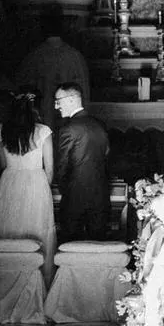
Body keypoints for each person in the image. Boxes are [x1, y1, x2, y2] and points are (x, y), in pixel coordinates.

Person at [0, 90, 58, 283]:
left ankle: (8, 278)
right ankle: (39, 278)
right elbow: (50, 168)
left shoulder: (1, 130)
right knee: (37, 227)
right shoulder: (43, 131)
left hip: (10, 180)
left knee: (9, 227)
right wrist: (44, 187)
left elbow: (3, 165)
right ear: (34, 109)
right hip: (37, 181)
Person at [53, 83, 110, 243]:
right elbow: (106, 157)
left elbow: (62, 167)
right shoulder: (100, 125)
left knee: (70, 247)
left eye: (58, 101)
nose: (56, 106)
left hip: (74, 198)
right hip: (101, 196)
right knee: (99, 245)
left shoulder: (68, 129)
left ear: (71, 100)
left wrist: (66, 190)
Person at [14, 7, 90, 128]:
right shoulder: (75, 56)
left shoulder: (34, 56)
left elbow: (22, 87)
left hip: (42, 118)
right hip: (70, 122)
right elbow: (83, 91)